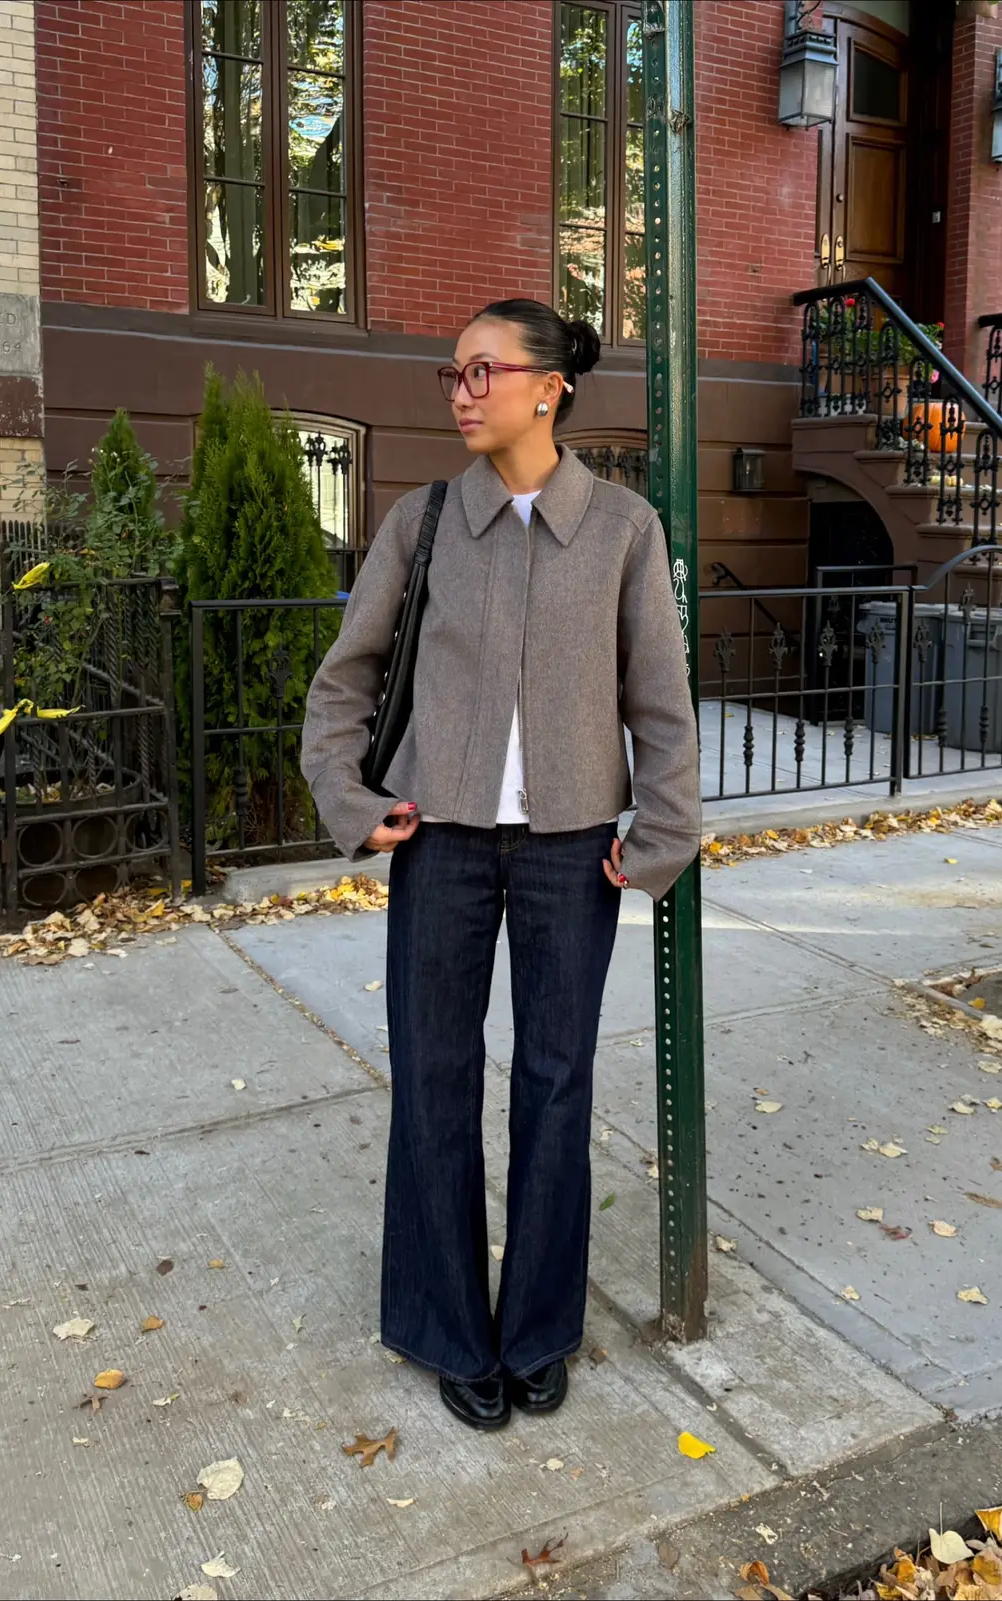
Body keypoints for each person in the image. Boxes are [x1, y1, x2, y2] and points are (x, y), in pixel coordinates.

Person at [301, 297, 701, 1431]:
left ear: (549, 386)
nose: (464, 390)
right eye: (454, 372)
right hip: (442, 843)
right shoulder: (422, 524)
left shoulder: (623, 528)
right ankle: (444, 1326)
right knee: (434, 1078)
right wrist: (351, 799)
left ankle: (536, 1329)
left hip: (579, 851)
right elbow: (344, 682)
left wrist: (661, 836)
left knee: (556, 1083)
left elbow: (661, 707)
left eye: (484, 370)